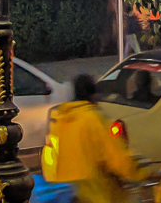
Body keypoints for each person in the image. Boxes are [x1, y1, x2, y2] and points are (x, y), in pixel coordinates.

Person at [42, 74, 144, 203]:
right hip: (92, 194)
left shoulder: (59, 119)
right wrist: (142, 172)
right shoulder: (93, 119)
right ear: (93, 94)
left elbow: (50, 158)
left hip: (66, 193)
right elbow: (116, 157)